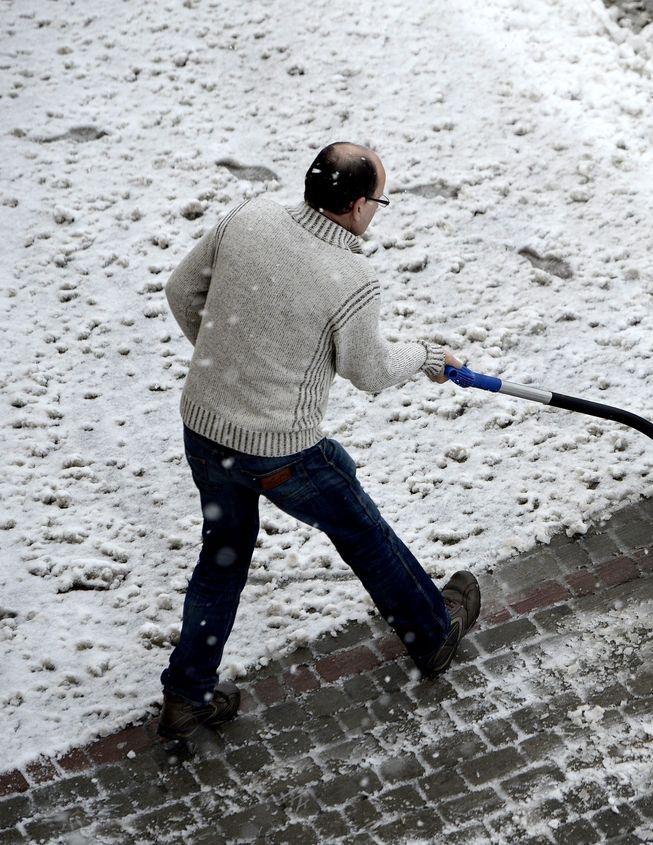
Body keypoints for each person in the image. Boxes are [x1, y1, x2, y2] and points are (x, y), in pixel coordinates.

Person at [158, 142, 480, 740]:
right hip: (281, 449)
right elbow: (372, 370)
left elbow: (182, 292)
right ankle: (433, 634)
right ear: (357, 205)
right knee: (360, 528)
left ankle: (186, 695)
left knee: (222, 557)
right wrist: (431, 357)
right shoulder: (349, 277)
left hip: (204, 428)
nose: (378, 211)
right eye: (379, 200)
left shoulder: (248, 217)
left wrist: (228, 362)